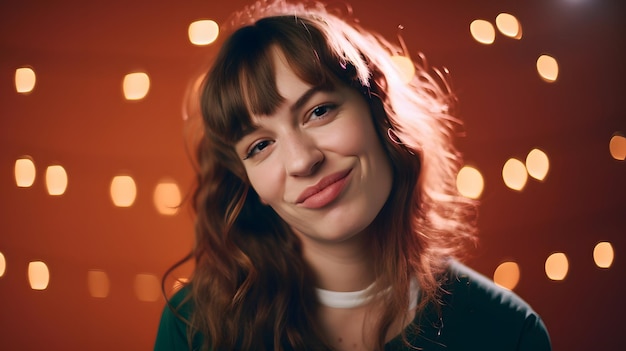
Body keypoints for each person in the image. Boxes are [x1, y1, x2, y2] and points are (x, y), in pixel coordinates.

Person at [154, 0, 552, 350]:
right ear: (249, 184)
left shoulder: (506, 332)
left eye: (319, 111)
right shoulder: (194, 330)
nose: (301, 162)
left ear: (379, 114)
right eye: (260, 146)